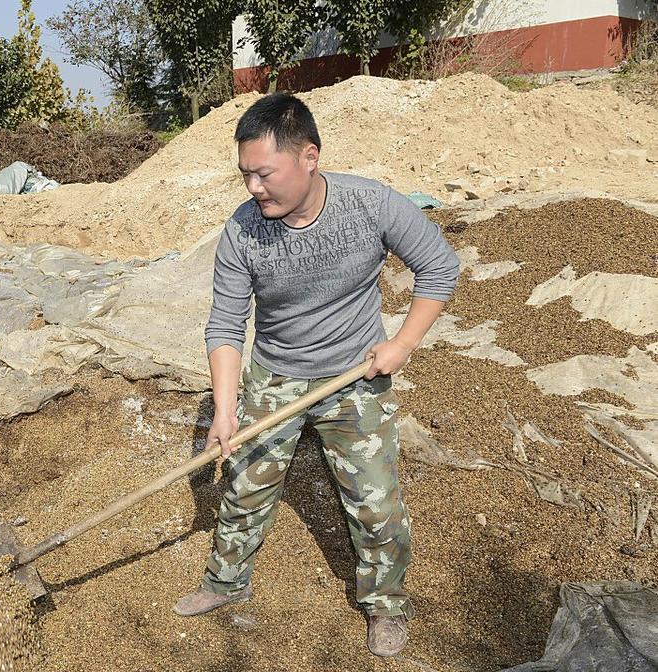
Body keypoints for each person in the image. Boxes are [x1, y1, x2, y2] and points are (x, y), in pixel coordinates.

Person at [172, 92, 459, 658]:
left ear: (309, 156)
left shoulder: (369, 205)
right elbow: (226, 327)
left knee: (375, 503)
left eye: (264, 174)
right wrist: (226, 412)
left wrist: (401, 344)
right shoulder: (243, 233)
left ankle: (384, 604)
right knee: (243, 485)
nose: (253, 188)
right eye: (245, 175)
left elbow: (439, 266)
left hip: (355, 374)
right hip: (276, 372)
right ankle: (226, 582)